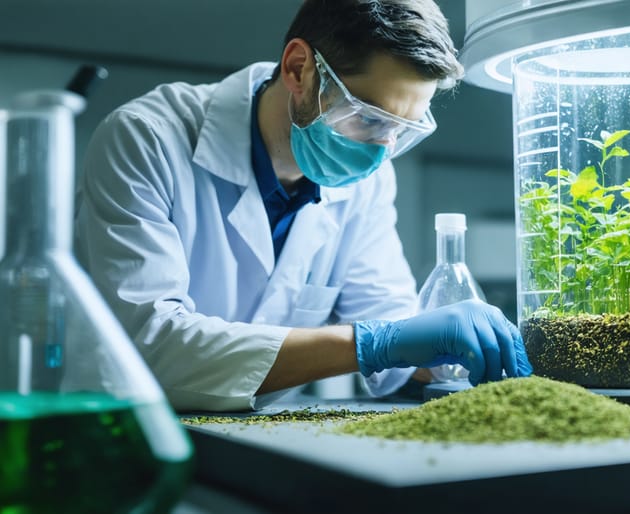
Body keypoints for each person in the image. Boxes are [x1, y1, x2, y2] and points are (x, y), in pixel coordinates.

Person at [73, 0, 532, 412]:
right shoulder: (146, 138)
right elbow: (151, 347)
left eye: (402, 130)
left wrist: (467, 348)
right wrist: (376, 344)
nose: (382, 149)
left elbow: (393, 335)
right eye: (370, 117)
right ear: (297, 69)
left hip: (255, 440)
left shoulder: (366, 182)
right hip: (123, 433)